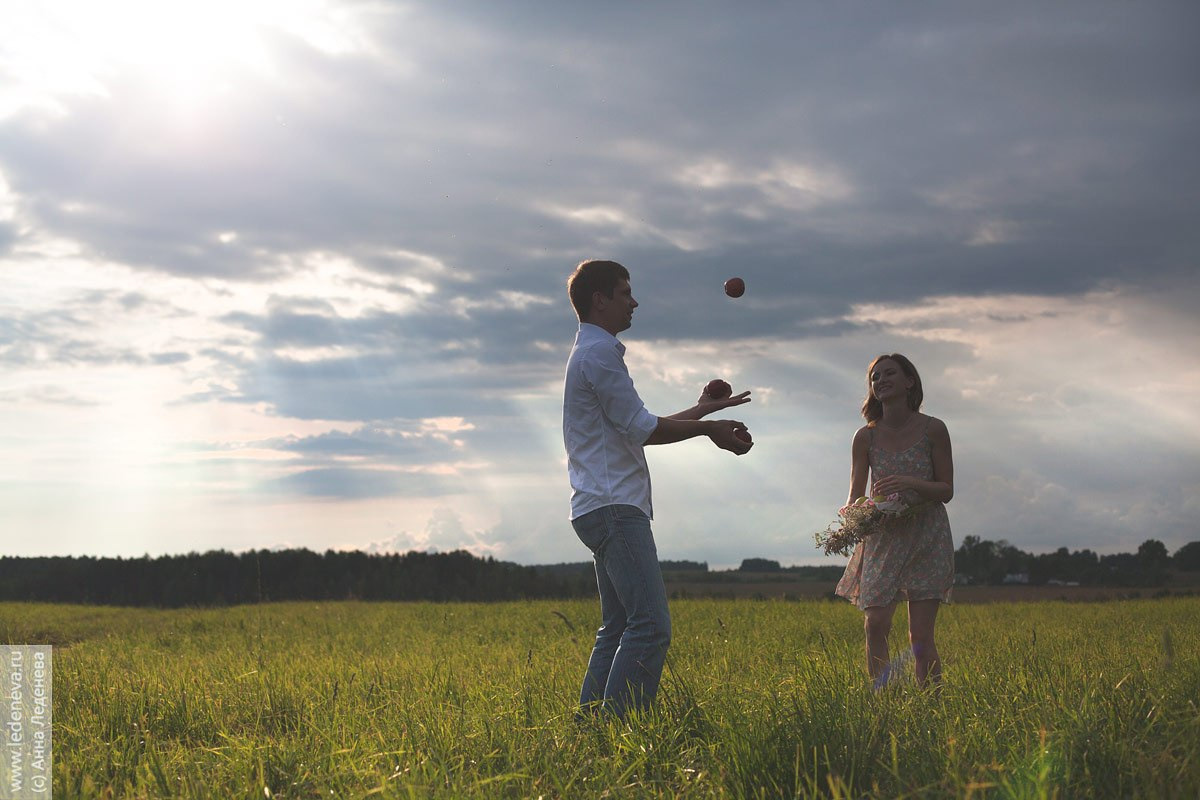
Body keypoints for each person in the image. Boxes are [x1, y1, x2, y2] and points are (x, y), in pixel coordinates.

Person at [563, 259, 753, 718]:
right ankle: (620, 730)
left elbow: (635, 426)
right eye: (626, 292)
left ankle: (592, 731)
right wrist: (709, 430)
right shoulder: (599, 355)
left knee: (619, 626)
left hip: (596, 506)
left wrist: (704, 409)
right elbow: (643, 428)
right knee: (650, 626)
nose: (635, 301)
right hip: (615, 508)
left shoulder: (589, 353)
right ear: (600, 300)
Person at [834, 353, 954, 688]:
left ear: (909, 382)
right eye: (875, 378)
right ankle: (883, 699)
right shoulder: (865, 437)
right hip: (883, 537)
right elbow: (855, 494)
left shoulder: (934, 429)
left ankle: (931, 702)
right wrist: (856, 515)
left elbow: (946, 489)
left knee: (920, 635)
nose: (881, 381)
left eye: (890, 374)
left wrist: (911, 484)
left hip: (927, 536)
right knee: (875, 624)